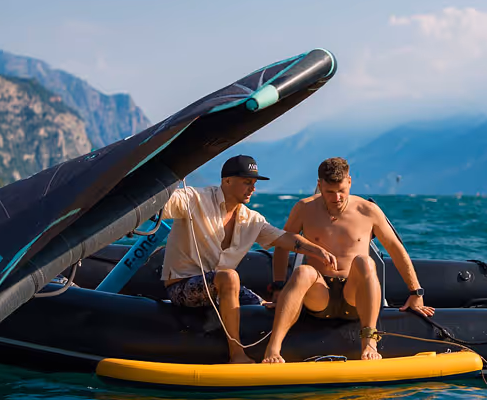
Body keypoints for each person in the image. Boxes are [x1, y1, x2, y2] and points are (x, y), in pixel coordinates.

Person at [161, 155, 338, 364]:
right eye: (247, 182)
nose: (252, 188)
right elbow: (161, 204)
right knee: (230, 277)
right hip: (181, 287)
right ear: (227, 181)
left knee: (266, 305)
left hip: (220, 286)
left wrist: (316, 250)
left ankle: (274, 351)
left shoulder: (252, 220)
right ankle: (236, 354)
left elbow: (284, 238)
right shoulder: (194, 199)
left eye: (254, 183)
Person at [262, 157, 435, 363]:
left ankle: (369, 343)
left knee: (365, 262)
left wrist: (416, 292)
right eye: (329, 192)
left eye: (341, 190)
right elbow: (283, 245)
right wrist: (278, 287)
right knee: (303, 272)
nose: (336, 197)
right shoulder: (304, 208)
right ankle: (273, 349)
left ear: (350, 182)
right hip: (319, 295)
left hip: (354, 296)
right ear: (319, 185)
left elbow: (397, 250)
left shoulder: (368, 211)